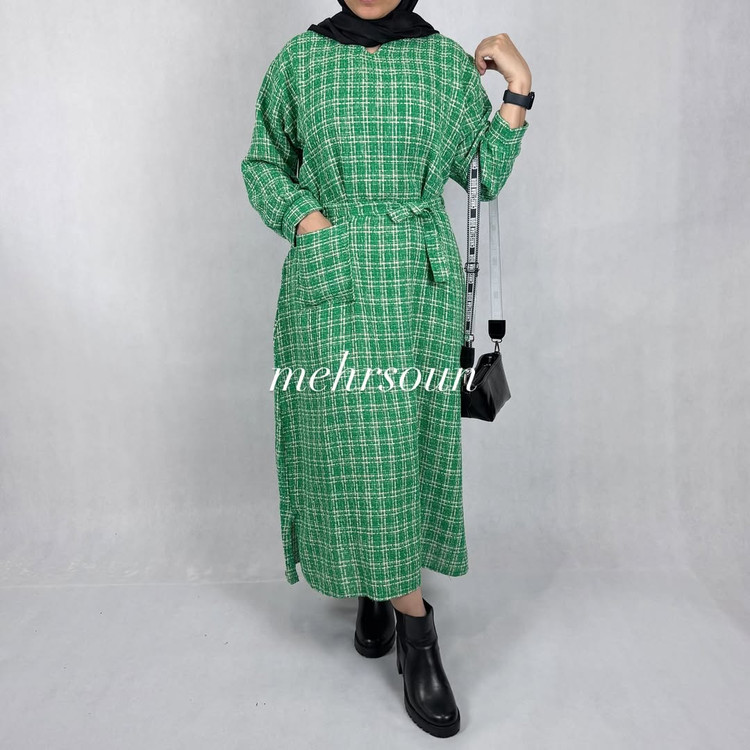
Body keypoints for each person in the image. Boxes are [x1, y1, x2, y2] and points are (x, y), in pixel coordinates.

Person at [240, 0, 533, 737]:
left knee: (405, 445)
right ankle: (409, 617)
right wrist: (308, 221)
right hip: (331, 276)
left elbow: (483, 176)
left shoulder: (442, 64)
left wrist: (519, 90)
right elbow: (263, 163)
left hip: (418, 283)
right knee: (351, 444)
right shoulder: (300, 61)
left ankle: (391, 604)